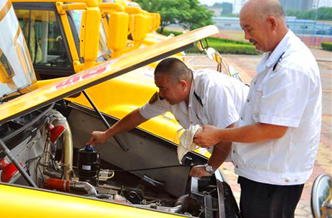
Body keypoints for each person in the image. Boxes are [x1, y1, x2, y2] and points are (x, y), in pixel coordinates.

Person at [193, 0, 322, 218]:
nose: (246, 36)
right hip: (267, 174)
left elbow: (272, 129)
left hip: (272, 180)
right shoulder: (274, 56)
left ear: (272, 22)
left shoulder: (291, 66)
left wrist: (220, 134)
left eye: (249, 29)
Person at [89, 57, 249, 177]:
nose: (161, 94)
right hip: (243, 160)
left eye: (163, 89)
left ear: (183, 84)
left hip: (259, 156)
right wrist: (106, 134)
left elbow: (228, 135)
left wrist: (209, 168)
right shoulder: (171, 96)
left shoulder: (211, 88)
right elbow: (139, 115)